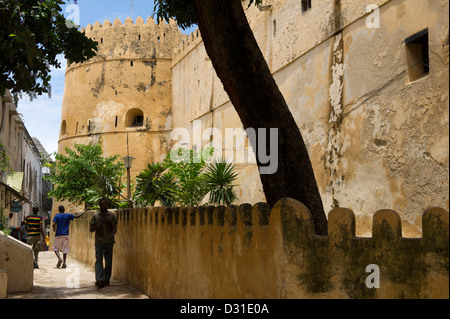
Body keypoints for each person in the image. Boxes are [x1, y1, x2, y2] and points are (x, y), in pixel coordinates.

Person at [89, 198, 118, 288]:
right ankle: (99, 280)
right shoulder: (95, 216)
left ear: (107, 205)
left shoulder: (111, 215)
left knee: (108, 261)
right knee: (99, 260)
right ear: (99, 205)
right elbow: (91, 229)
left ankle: (106, 279)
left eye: (104, 204)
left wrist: (112, 234)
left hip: (109, 241)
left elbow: (115, 227)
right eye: (101, 205)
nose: (103, 206)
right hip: (99, 241)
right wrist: (96, 227)